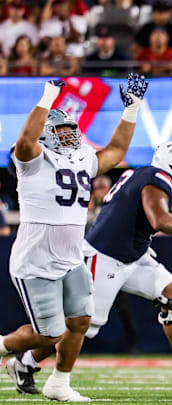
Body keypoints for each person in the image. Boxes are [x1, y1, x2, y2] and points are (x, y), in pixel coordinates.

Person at [13, 141, 172, 394]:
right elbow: (158, 219)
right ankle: (26, 361)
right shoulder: (157, 178)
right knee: (81, 327)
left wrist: (140, 241)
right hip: (105, 256)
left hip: (132, 255)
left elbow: (130, 216)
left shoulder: (142, 174)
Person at [0, 74, 147, 401]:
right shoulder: (31, 161)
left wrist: (132, 110)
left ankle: (59, 383)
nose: (69, 135)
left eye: (71, 129)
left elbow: (117, 149)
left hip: (69, 259)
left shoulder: (82, 158)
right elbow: (25, 140)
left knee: (81, 321)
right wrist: (48, 97)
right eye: (61, 130)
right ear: (46, 135)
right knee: (48, 334)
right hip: (36, 260)